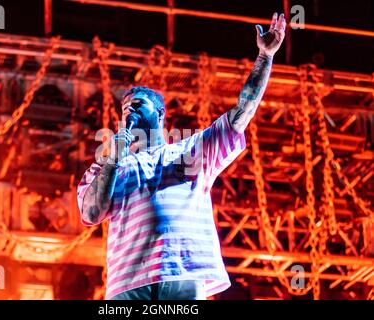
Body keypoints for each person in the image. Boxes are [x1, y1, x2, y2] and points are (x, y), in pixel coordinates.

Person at [77, 12, 286, 300]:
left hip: (182, 274)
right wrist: (112, 159)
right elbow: (90, 213)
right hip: (127, 285)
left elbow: (241, 114)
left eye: (138, 104)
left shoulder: (189, 150)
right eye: (124, 108)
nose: (129, 110)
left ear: (160, 114)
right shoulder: (109, 165)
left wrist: (265, 57)